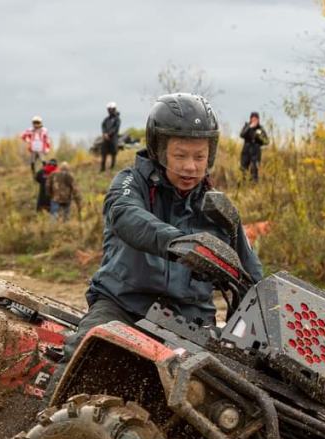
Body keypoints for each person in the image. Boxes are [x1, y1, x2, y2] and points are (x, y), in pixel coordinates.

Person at [62, 92, 263, 360]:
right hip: (124, 307)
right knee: (83, 357)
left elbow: (252, 279)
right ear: (159, 150)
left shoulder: (219, 210)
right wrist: (181, 244)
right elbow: (125, 214)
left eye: (199, 157)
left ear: (210, 156)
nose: (190, 167)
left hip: (192, 322)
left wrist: (246, 334)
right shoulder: (131, 183)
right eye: (180, 155)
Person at [239, 112, 268, 182]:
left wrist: (259, 137)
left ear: (258, 120)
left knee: (254, 170)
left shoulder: (260, 129)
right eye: (253, 119)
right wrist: (250, 127)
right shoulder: (247, 126)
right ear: (250, 119)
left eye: (256, 119)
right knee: (243, 170)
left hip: (256, 153)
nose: (254, 120)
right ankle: (243, 185)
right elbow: (242, 135)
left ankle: (253, 186)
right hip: (246, 151)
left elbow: (266, 141)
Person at [100, 102, 121, 172]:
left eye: (110, 109)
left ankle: (112, 167)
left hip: (113, 138)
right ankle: (102, 168)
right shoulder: (106, 119)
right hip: (105, 139)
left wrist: (109, 134)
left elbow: (115, 128)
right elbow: (103, 126)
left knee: (113, 153)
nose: (109, 111)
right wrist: (104, 133)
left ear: (114, 109)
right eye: (108, 109)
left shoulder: (117, 119)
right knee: (103, 152)